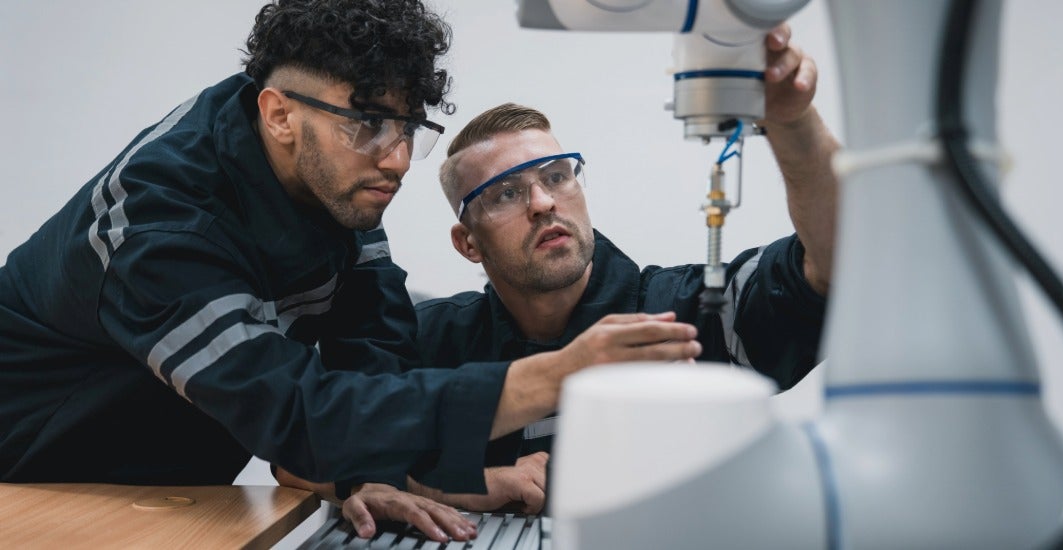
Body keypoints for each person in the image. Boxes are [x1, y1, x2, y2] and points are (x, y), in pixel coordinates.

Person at [0, 0, 702, 543]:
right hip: (33, 488)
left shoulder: (330, 179)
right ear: (279, 114)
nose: (395, 159)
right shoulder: (161, 227)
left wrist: (370, 472)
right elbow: (296, 413)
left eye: (408, 127)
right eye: (368, 123)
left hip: (165, 495)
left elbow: (374, 342)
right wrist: (548, 377)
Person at [397, 22, 840, 515]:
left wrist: (793, 120)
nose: (543, 202)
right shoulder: (433, 340)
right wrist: (459, 484)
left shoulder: (683, 313)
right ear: (468, 243)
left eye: (557, 176)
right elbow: (317, 454)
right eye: (507, 192)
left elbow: (833, 264)